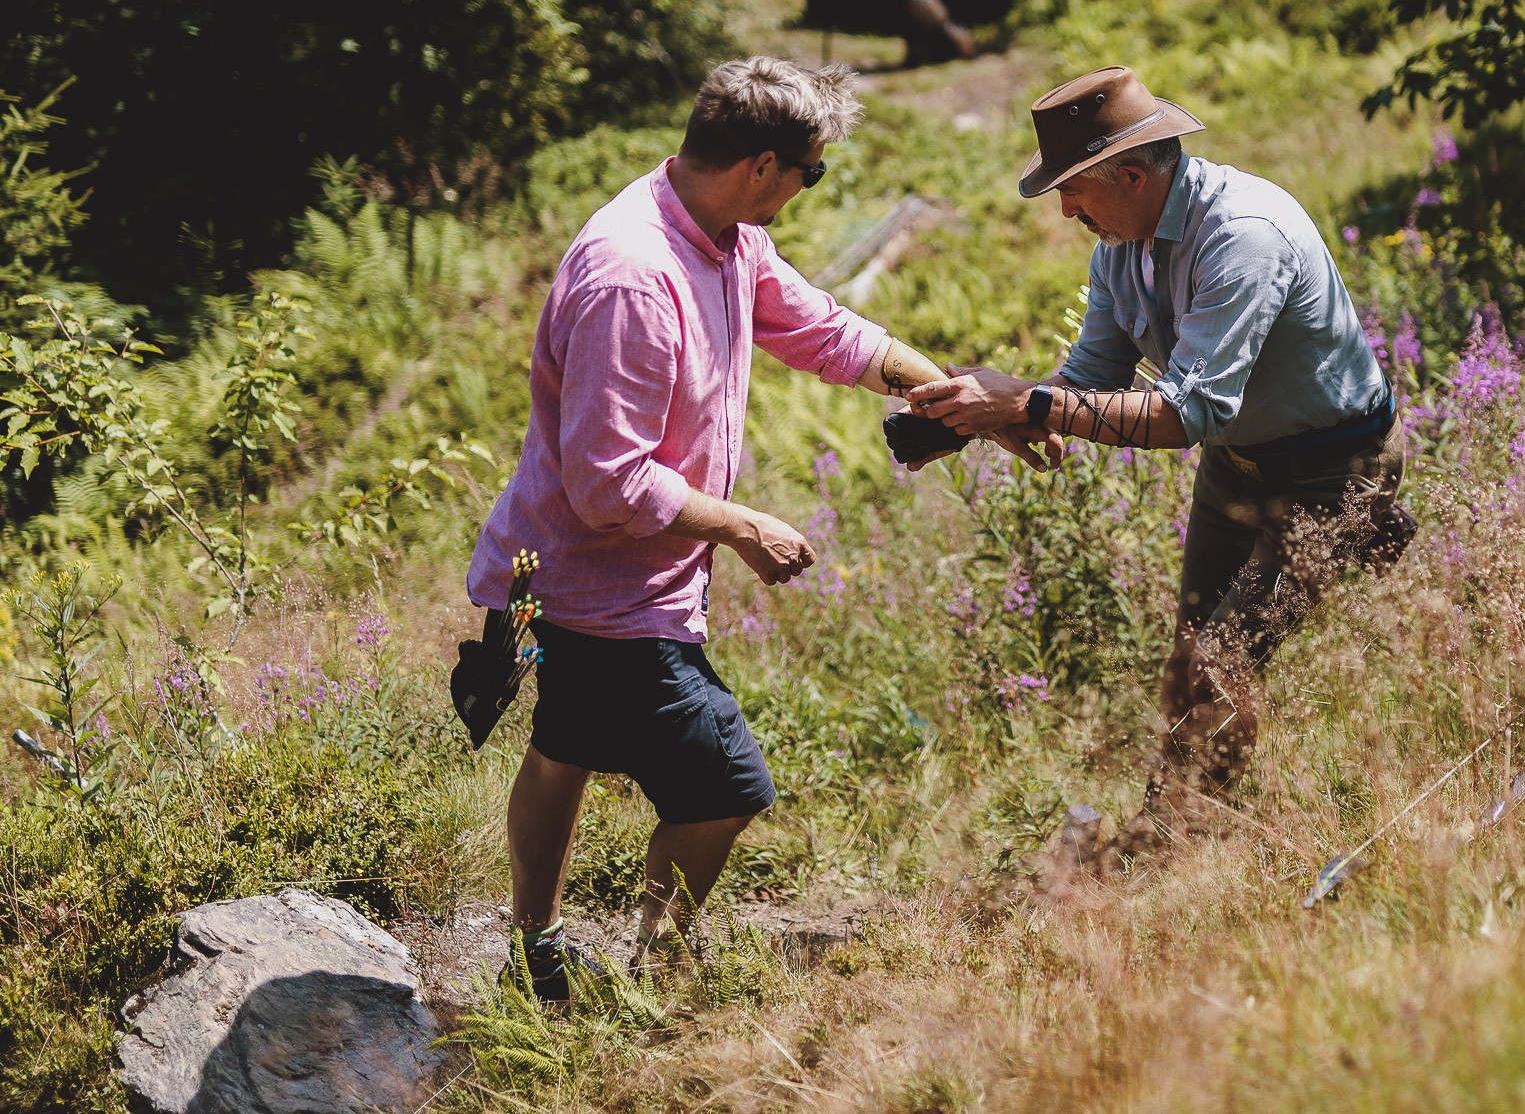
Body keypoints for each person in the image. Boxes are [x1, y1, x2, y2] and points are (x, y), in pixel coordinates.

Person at [465, 56, 1048, 1001]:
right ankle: (655, 965)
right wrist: (743, 525)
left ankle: (538, 952)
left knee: (564, 743)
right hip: (603, 585)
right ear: (763, 165)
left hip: (599, 576)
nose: (811, 190)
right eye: (811, 173)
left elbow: (816, 325)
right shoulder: (634, 278)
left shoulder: (722, 232)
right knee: (727, 785)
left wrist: (950, 394)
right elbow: (606, 481)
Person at [906, 65, 1415, 826]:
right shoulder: (1120, 244)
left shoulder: (1242, 237)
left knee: (1221, 663)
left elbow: (1187, 415)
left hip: (1333, 469)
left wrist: (1033, 401)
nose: (1066, 208)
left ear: (1136, 174)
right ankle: (1184, 831)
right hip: (1239, 466)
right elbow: (1093, 375)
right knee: (1190, 667)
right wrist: (994, 413)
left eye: (1073, 189)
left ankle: (1173, 850)